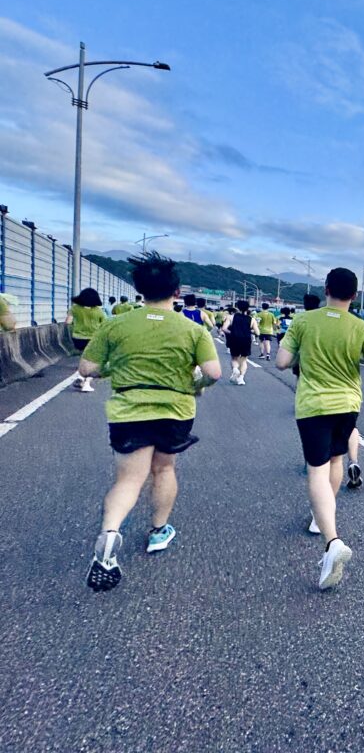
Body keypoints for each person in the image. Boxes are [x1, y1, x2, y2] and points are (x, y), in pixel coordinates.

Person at [79, 253, 221, 591]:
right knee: (164, 469)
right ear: (176, 291)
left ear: (139, 289)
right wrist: (195, 386)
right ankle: (159, 532)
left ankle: (111, 533)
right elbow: (214, 373)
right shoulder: (192, 328)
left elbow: (87, 368)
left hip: (129, 409)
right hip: (175, 410)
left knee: (129, 479)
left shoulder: (115, 324)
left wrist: (114, 369)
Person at [276, 267, 364, 590]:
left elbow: (281, 362)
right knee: (336, 461)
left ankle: (332, 540)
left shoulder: (304, 321)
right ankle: (322, 517)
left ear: (326, 289)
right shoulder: (363, 327)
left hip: (313, 406)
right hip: (348, 405)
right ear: (354, 295)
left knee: (316, 471)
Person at [65, 287, 107, 393]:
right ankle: (86, 382)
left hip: (78, 338)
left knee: (83, 357)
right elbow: (105, 325)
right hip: (93, 338)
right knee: (94, 362)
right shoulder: (98, 311)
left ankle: (80, 377)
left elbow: (68, 322)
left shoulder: (74, 308)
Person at [223, 300, 258, 385]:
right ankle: (241, 378)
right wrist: (249, 331)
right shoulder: (252, 319)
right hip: (246, 340)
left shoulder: (231, 317)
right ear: (247, 308)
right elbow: (257, 332)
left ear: (237, 307)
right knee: (244, 360)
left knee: (234, 358)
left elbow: (224, 328)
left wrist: (232, 332)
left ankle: (235, 369)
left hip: (234, 339)